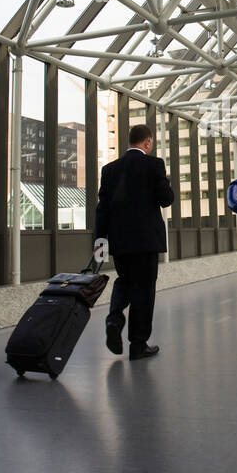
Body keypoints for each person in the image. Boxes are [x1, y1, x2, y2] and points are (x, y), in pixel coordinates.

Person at [94, 124, 175, 360]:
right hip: (146, 240)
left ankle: (114, 319)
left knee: (124, 281)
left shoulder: (110, 170)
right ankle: (138, 344)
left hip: (120, 240)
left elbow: (103, 209)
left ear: (129, 141)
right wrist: (164, 181)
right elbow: (166, 199)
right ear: (147, 142)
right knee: (144, 289)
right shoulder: (154, 165)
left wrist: (100, 239)